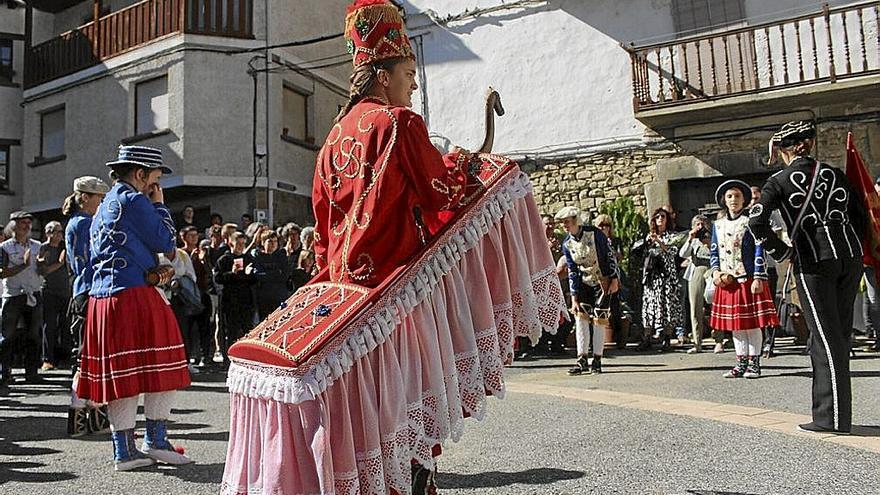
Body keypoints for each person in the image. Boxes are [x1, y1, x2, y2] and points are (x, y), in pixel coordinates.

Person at [76, 145, 191, 470]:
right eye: (154, 180)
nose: (155, 188)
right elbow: (167, 244)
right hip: (133, 294)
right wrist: (160, 206)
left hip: (104, 298)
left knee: (123, 374)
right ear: (140, 175)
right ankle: (154, 439)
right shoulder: (134, 199)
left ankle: (124, 451)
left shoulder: (106, 204)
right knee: (165, 364)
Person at [750, 121, 866, 434]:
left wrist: (781, 252)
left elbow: (756, 221)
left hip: (814, 259)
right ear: (809, 144)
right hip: (850, 256)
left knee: (824, 339)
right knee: (838, 336)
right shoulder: (835, 174)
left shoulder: (778, 181)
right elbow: (861, 216)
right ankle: (835, 415)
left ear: (783, 150)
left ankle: (831, 419)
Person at [709, 180, 778, 378]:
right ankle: (740, 362)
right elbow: (714, 250)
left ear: (744, 200)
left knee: (752, 324)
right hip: (727, 282)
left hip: (748, 279)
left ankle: (754, 363)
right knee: (736, 325)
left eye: (737, 196)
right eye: (730, 196)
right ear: (724, 200)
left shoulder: (751, 222)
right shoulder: (718, 225)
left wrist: (758, 276)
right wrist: (716, 273)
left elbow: (760, 249)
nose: (733, 200)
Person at [63, 175, 111, 436]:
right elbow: (93, 259)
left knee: (88, 355)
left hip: (84, 290)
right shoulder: (84, 223)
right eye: (98, 198)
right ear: (84, 198)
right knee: (85, 355)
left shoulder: (78, 222)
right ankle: (82, 417)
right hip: (90, 290)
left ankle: (90, 416)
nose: (101, 203)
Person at [557, 207, 619, 375]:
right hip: (583, 283)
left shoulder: (595, 234)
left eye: (567, 222)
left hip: (602, 281)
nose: (564, 226)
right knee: (581, 318)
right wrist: (574, 296)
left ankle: (597, 359)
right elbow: (572, 270)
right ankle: (582, 359)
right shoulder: (567, 244)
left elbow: (609, 255)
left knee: (600, 319)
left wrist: (614, 278)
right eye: (563, 223)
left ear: (576, 221)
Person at [0, 211, 45, 390]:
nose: (26, 226)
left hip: (33, 293)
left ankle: (31, 373)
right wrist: (23, 266)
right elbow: (2, 273)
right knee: (7, 336)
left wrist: (44, 266)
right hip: (13, 295)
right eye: (22, 223)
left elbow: (41, 271)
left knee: (33, 335)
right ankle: (4, 373)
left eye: (28, 223)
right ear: (13, 226)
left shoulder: (37, 245)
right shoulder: (5, 247)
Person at [639, 207, 684, 351]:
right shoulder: (649, 236)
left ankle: (667, 339)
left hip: (667, 277)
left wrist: (659, 242)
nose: (660, 219)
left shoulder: (672, 236)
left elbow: (673, 252)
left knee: (668, 308)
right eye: (657, 216)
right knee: (649, 308)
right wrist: (647, 243)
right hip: (652, 278)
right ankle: (646, 338)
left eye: (663, 216)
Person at [214, 231, 255, 366]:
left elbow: (254, 280)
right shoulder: (224, 260)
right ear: (231, 243)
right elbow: (218, 278)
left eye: (243, 244)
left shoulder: (248, 258)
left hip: (245, 300)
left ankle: (247, 357)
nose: (241, 247)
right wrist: (232, 273)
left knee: (247, 329)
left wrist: (249, 274)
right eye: (238, 243)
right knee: (231, 330)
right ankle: (228, 358)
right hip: (230, 301)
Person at [37, 220, 70, 370]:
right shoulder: (43, 248)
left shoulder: (65, 247)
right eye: (56, 232)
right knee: (49, 326)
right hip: (49, 291)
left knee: (65, 325)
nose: (60, 235)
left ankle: (64, 358)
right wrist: (59, 263)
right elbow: (43, 271)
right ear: (48, 233)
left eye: (61, 232)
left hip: (65, 290)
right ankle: (47, 359)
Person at [678, 214, 712, 353]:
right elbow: (683, 254)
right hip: (696, 270)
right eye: (697, 225)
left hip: (711, 269)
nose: (700, 228)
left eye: (703, 225)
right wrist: (691, 238)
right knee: (695, 307)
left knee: (714, 304)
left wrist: (708, 242)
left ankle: (719, 339)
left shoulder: (712, 236)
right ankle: (697, 342)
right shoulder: (693, 239)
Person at [594, 213, 625, 350]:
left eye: (607, 225)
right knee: (598, 307)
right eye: (601, 225)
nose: (604, 228)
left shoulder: (615, 240)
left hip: (613, 276)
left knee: (615, 308)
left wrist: (612, 250)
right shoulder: (593, 240)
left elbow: (620, 257)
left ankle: (619, 339)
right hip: (598, 278)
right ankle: (594, 341)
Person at [250, 230, 290, 320]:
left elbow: (284, 275)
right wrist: (276, 273)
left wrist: (269, 274)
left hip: (280, 296)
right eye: (270, 241)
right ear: (263, 242)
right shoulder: (258, 256)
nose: (273, 244)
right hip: (264, 297)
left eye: (275, 241)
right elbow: (258, 274)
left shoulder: (281, 256)